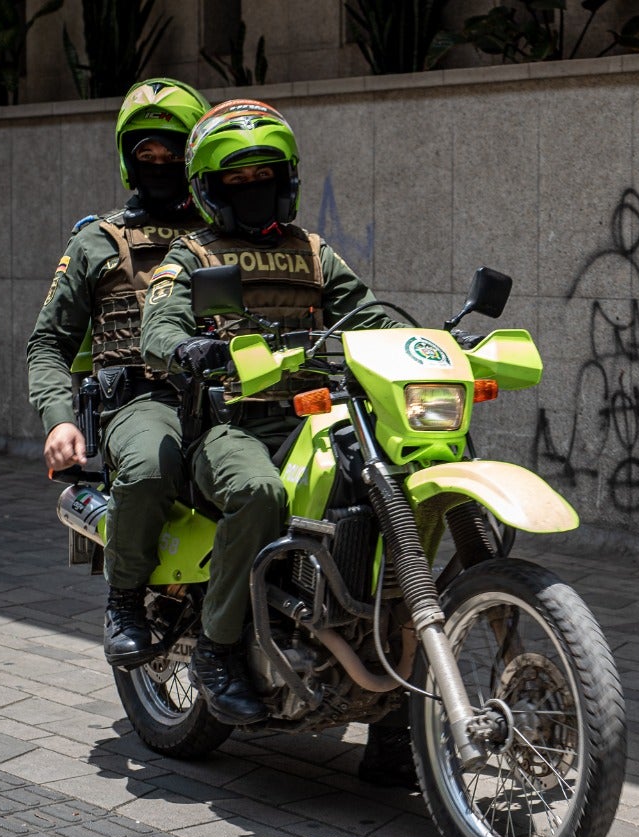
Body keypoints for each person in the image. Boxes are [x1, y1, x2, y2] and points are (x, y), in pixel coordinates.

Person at [140, 100, 401, 735]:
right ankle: (217, 648)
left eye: (265, 175)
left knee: (391, 488)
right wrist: (187, 346)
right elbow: (159, 326)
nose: (254, 189)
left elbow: (370, 316)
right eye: (237, 179)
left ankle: (398, 702)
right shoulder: (194, 256)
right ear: (210, 189)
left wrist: (431, 346)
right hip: (231, 426)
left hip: (317, 417)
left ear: (286, 181)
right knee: (256, 492)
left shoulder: (314, 254)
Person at [27, 77, 211, 669]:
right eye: (146, 152)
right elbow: (48, 341)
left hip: (233, 397)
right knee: (153, 466)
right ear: (128, 158)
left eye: (172, 151)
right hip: (140, 399)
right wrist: (58, 421)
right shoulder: (97, 240)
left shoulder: (231, 234)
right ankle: (126, 598)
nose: (159, 162)